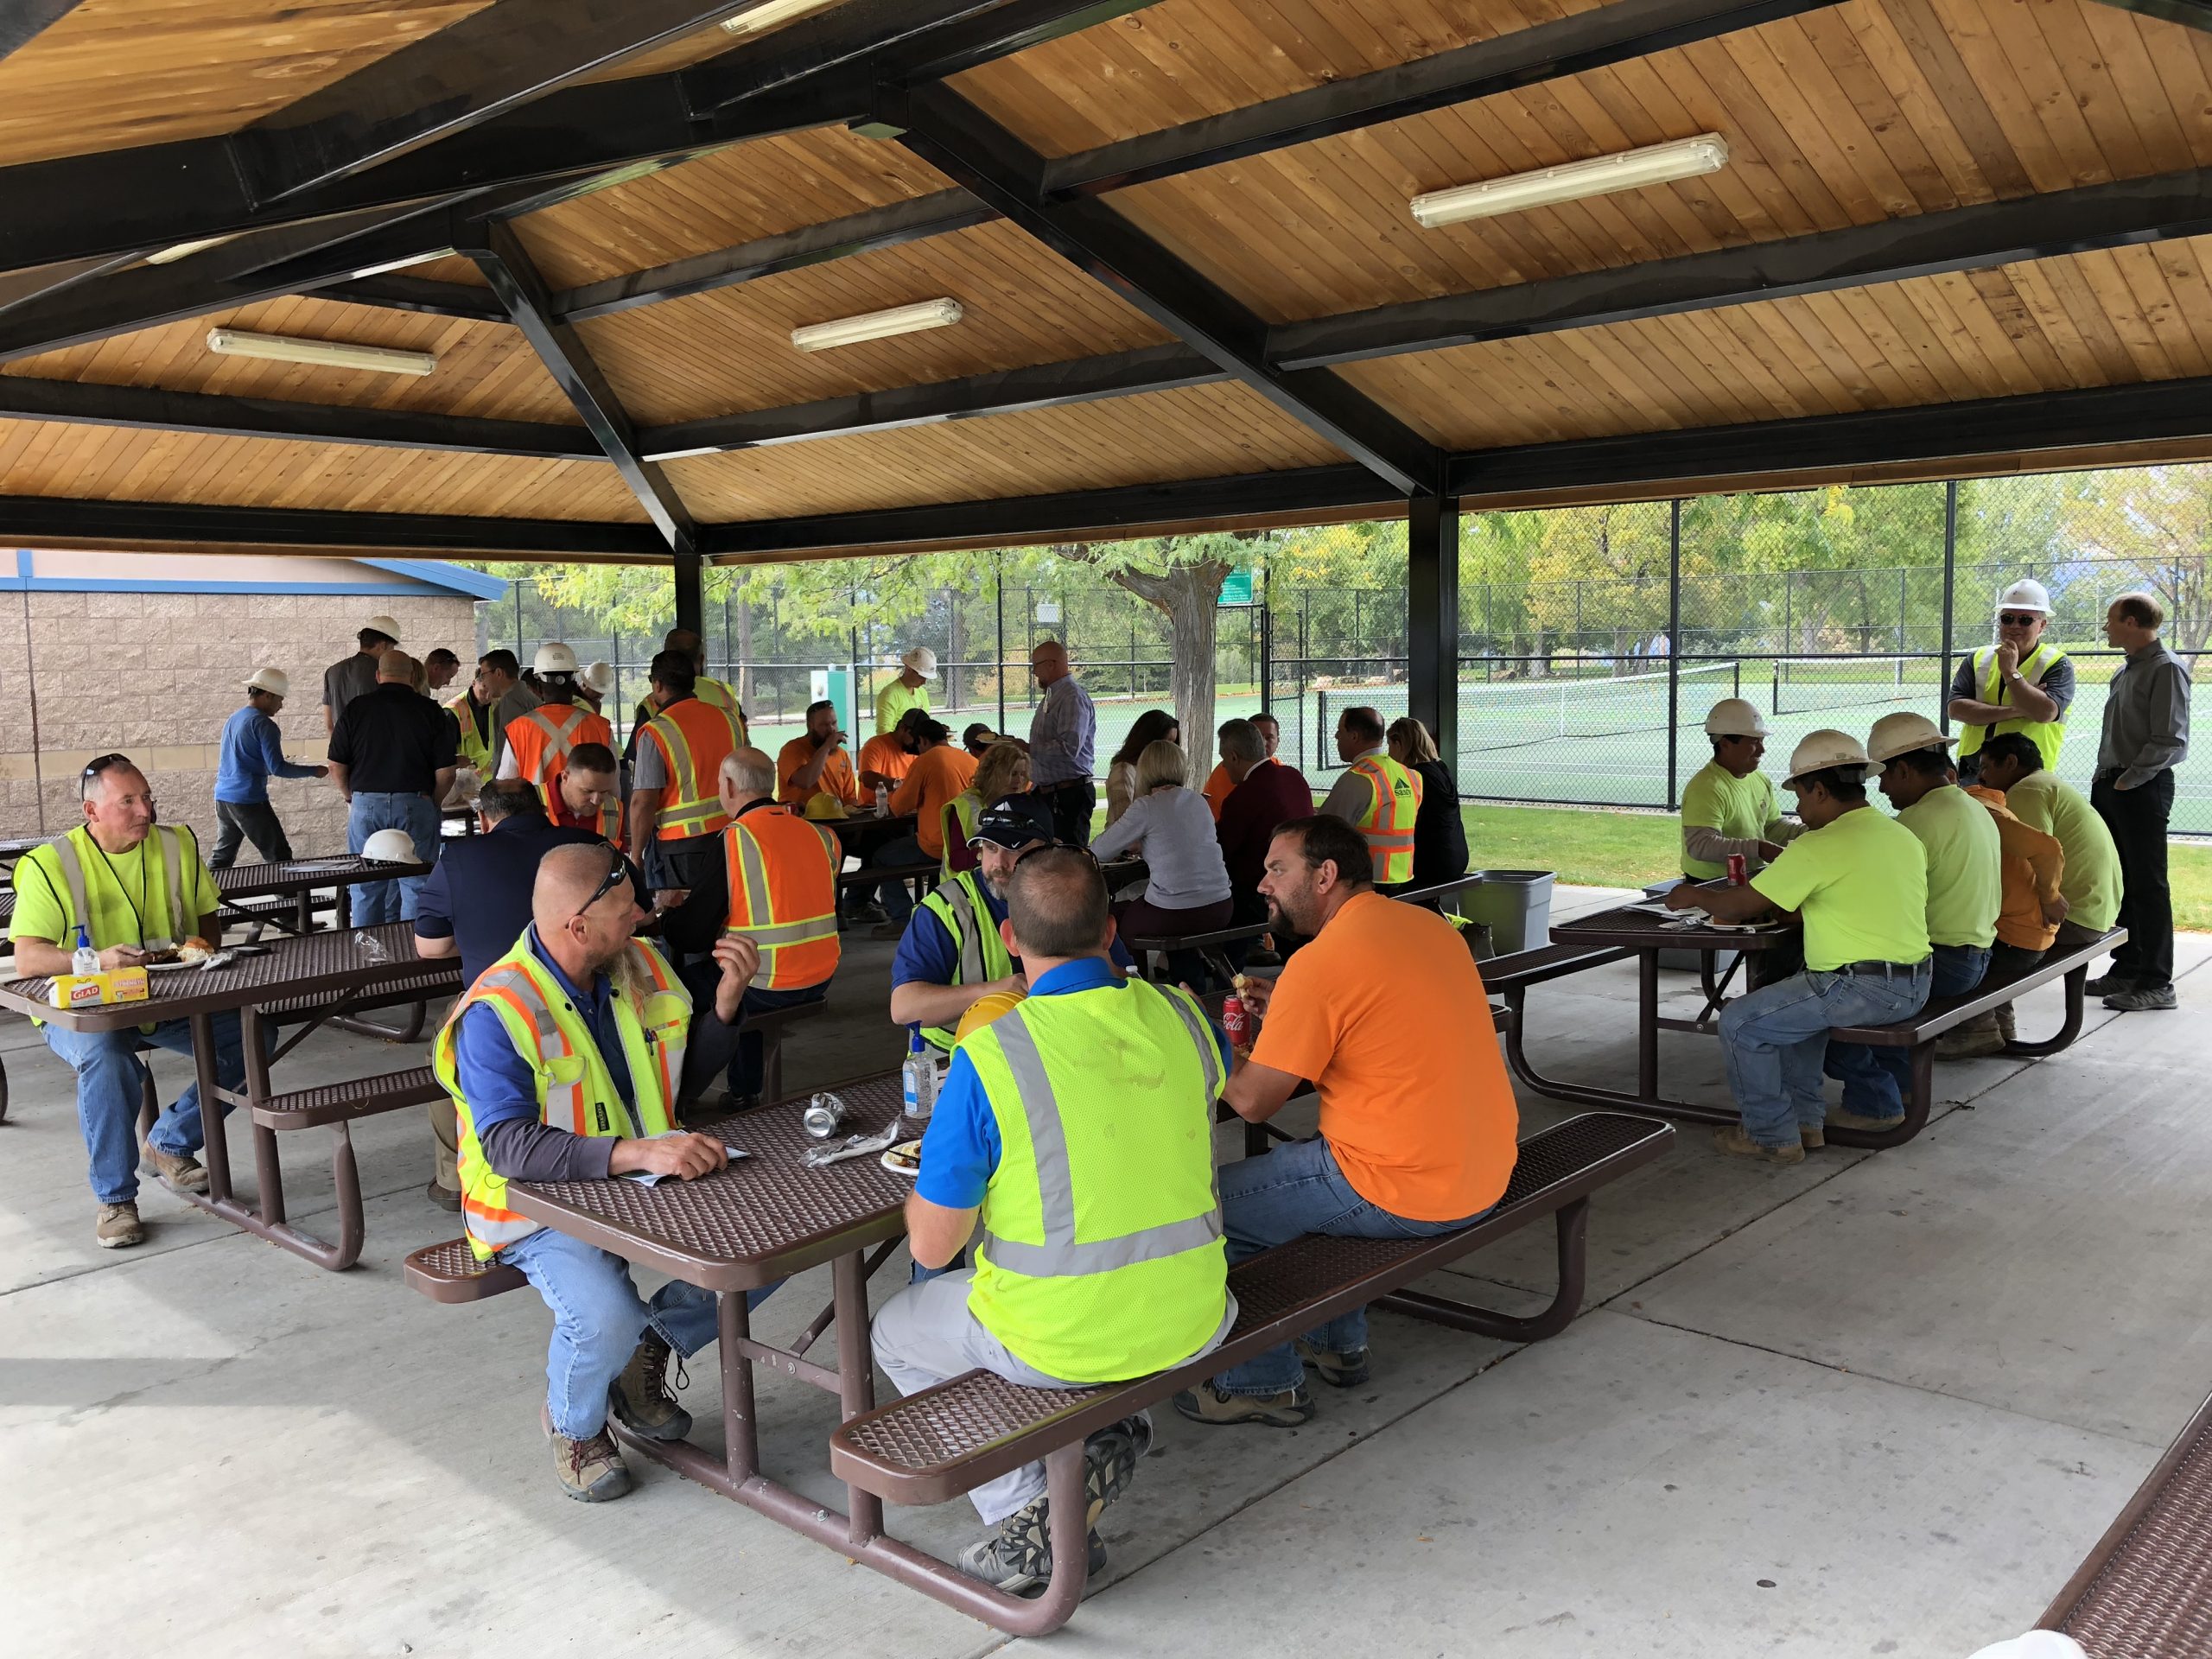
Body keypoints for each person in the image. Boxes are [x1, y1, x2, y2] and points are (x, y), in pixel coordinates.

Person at [872, 845, 1231, 1592]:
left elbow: (933, 1246)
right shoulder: (1185, 1016)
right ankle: (1082, 1452)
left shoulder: (992, 1056)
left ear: (1010, 937)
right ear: (1111, 930)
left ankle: (1023, 1516)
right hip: (1197, 1315)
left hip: (1061, 1337)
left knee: (895, 1334)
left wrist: (935, 1173)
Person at [434, 843, 777, 1502]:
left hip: (636, 1181)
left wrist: (728, 1004)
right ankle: (575, 1425)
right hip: (534, 1205)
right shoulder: (496, 1011)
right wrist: (639, 1154)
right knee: (604, 1318)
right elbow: (507, 1148)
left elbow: (683, 1082)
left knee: (776, 1240)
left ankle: (651, 1346)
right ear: (577, 927)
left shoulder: (636, 964)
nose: (644, 917)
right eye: (627, 910)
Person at [1177, 814, 1515, 1427]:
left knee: (1206, 1209)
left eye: (1278, 869)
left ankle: (1260, 1379)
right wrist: (1288, 1012)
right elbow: (1378, 1019)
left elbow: (1253, 1102)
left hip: (1407, 1187)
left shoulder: (1322, 964)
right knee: (1297, 1177)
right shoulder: (1426, 925)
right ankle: (1336, 1345)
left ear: (1325, 875)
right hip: (1484, 1165)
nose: (1263, 884)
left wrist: (1199, 1036)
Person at [10, 755, 247, 1248]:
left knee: (252, 1035)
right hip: (81, 1006)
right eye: (129, 801)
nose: (146, 810)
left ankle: (169, 1143)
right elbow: (29, 959)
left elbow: (207, 923)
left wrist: (198, 956)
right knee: (108, 1059)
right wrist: (94, 961)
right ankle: (115, 1200)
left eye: (147, 797)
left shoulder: (177, 844)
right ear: (91, 811)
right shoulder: (50, 864)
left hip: (165, 995)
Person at [1665, 730, 1931, 1162]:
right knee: (1793, 1016)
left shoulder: (1820, 845)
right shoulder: (1898, 834)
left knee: (1739, 1023)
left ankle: (1769, 1134)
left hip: (1859, 988)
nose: (1801, 811)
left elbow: (1739, 905)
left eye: (1802, 797)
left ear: (1821, 790)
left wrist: (1694, 895)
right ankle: (1806, 1124)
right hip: (1915, 982)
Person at [412, 779, 646, 1210]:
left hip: (507, 1003)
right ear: (542, 807)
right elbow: (639, 913)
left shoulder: (460, 857)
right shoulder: (590, 846)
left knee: (448, 1048)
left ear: (483, 818)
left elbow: (430, 947)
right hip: (599, 983)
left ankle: (451, 1178)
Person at [1818, 713, 1999, 1128]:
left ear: (1902, 769)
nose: (1880, 787)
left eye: (1886, 776)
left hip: (1946, 962)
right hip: (1977, 956)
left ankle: (1871, 1102)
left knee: (1821, 999)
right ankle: (1899, 1084)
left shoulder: (1917, 823)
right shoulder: (1969, 805)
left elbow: (1866, 897)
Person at [889, 795, 1140, 1051]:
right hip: (953, 1062)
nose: (998, 864)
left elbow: (1126, 979)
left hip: (1052, 1053)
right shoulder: (946, 910)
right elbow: (903, 1008)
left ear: (1050, 851)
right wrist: (995, 992)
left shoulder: (1071, 899)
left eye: (1015, 849)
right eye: (990, 848)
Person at [677, 747, 840, 1107]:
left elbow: (691, 933)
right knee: (739, 964)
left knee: (679, 989)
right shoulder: (820, 836)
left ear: (730, 786)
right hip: (821, 974)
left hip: (767, 983)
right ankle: (743, 1087)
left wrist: (663, 917)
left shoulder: (736, 839)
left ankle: (679, 1092)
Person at [2090, 591, 2191, 1013]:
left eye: (2112, 620)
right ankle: (2128, 966)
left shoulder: (2166, 669)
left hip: (2140, 787)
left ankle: (2157, 981)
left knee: (2149, 884)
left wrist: (2130, 781)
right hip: (2115, 784)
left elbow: (2171, 740)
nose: (2106, 627)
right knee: (2123, 881)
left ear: (2132, 622)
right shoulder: (2126, 671)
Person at [1940, 760, 2069, 1060]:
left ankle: (1976, 1028)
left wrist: (2050, 897)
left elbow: (2048, 848)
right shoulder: (1987, 805)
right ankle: (2002, 1024)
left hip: (2017, 940)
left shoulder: (1978, 812)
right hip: (2026, 934)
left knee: (1953, 945)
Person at [630, 649, 747, 955]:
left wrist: (637, 855)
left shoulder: (658, 731)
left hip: (681, 848)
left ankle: (688, 994)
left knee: (683, 926)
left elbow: (644, 800)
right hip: (731, 836)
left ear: (657, 685)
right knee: (725, 914)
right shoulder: (729, 719)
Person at [327, 650, 455, 924]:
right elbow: (446, 772)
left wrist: (351, 797)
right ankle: (414, 952)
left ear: (377, 676)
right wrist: (432, 803)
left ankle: (367, 949)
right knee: (418, 884)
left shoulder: (356, 709)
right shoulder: (430, 710)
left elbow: (336, 765)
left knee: (365, 885)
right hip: (415, 802)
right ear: (411, 676)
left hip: (365, 805)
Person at [1092, 738, 1233, 941]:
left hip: (1176, 912)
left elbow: (1100, 850)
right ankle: (1186, 972)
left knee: (1118, 918)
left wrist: (1135, 844)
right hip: (1221, 905)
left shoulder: (1146, 806)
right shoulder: (1198, 800)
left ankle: (1132, 972)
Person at [1948, 578, 2074, 782]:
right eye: (2007, 618)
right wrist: (2019, 710)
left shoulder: (2057, 664)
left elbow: (2045, 712)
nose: (2014, 626)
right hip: (1976, 766)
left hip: (2027, 770)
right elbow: (1956, 709)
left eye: (2025, 620)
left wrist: (2010, 673)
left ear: (2042, 625)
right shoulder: (1979, 658)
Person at [212, 666, 329, 868]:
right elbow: (278, 768)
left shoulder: (235, 719)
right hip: (248, 800)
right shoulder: (264, 725)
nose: (281, 706)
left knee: (222, 858)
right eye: (280, 699)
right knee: (279, 856)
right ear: (267, 695)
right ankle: (290, 899)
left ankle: (201, 896)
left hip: (223, 798)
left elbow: (241, 759)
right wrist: (315, 771)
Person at [875, 718, 977, 932]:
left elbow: (900, 806)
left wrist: (894, 794)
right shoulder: (969, 759)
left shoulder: (925, 761)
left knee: (880, 858)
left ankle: (903, 919)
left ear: (922, 740)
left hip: (936, 846)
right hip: (969, 844)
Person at [1681, 698, 1797, 880]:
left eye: (1761, 741)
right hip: (1711, 886)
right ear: (1725, 743)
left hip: (1752, 877)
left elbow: (1772, 826)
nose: (1762, 749)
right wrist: (1759, 849)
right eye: (1754, 742)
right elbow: (1700, 846)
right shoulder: (1706, 788)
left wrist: (1811, 831)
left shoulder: (1760, 779)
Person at [1214, 717, 1313, 930]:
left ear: (1234, 757)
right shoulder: (1294, 776)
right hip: (1306, 880)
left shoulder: (1241, 797)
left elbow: (1222, 853)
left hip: (1261, 894)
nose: (1223, 765)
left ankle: (1222, 960)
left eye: (1223, 758)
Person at [1318, 704, 1421, 894]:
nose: (1336, 737)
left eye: (1340, 731)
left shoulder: (1359, 777)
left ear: (1354, 736)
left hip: (1366, 881)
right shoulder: (1411, 776)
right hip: (1402, 877)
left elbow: (1325, 831)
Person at [499, 644, 614, 811]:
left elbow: (505, 787)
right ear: (574, 684)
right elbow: (613, 789)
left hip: (538, 824)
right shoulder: (600, 726)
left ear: (538, 688)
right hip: (589, 824)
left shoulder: (519, 729)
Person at [1027, 639, 1097, 846]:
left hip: (1068, 798)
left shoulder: (1071, 697)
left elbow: (1069, 748)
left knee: (1069, 861)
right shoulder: (1054, 694)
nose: (1034, 673)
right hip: (1051, 795)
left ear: (1051, 664)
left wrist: (1028, 748)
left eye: (1035, 666)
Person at [1388, 716, 1467, 889]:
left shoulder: (1416, 777)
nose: (1388, 753)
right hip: (1457, 857)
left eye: (1390, 745)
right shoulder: (1440, 768)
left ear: (1399, 744)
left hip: (1433, 864)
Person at [939, 739, 1031, 878]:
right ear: (995, 774)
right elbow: (956, 861)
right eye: (1013, 774)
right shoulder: (966, 805)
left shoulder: (1020, 803)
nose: (1019, 781)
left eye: (1022, 774)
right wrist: (990, 852)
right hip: (966, 888)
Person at [632, 628, 745, 737]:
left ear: (666, 657)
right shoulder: (725, 694)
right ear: (701, 660)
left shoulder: (653, 701)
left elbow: (638, 753)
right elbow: (743, 741)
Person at [321, 613, 401, 734]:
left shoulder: (332, 672)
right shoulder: (383, 673)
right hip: (373, 749)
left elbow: (329, 724)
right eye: (392, 648)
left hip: (342, 748)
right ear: (383, 645)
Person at [777, 699, 862, 812]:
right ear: (810, 726)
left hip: (836, 819)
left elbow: (849, 799)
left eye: (834, 723)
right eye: (824, 725)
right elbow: (805, 781)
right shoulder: (792, 750)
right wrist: (826, 747)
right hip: (802, 820)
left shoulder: (841, 754)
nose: (831, 729)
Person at [1103, 709, 1179, 826]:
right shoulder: (1123, 771)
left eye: (1173, 743)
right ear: (1149, 740)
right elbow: (1124, 824)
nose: (1171, 748)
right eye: (1167, 741)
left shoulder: (1158, 770)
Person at [545, 742, 622, 841]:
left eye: (604, 792)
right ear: (565, 777)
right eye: (588, 791)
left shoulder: (614, 809)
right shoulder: (527, 802)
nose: (595, 801)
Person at [857, 706, 923, 800]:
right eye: (915, 738)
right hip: (875, 810)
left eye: (921, 739)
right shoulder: (874, 746)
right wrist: (903, 786)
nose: (918, 743)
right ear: (902, 728)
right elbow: (868, 778)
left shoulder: (916, 750)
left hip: (903, 809)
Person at [875, 647, 937, 735]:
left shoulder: (922, 693)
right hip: (895, 748)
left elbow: (924, 725)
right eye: (921, 677)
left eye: (926, 678)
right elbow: (883, 732)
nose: (924, 682)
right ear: (909, 669)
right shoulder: (890, 694)